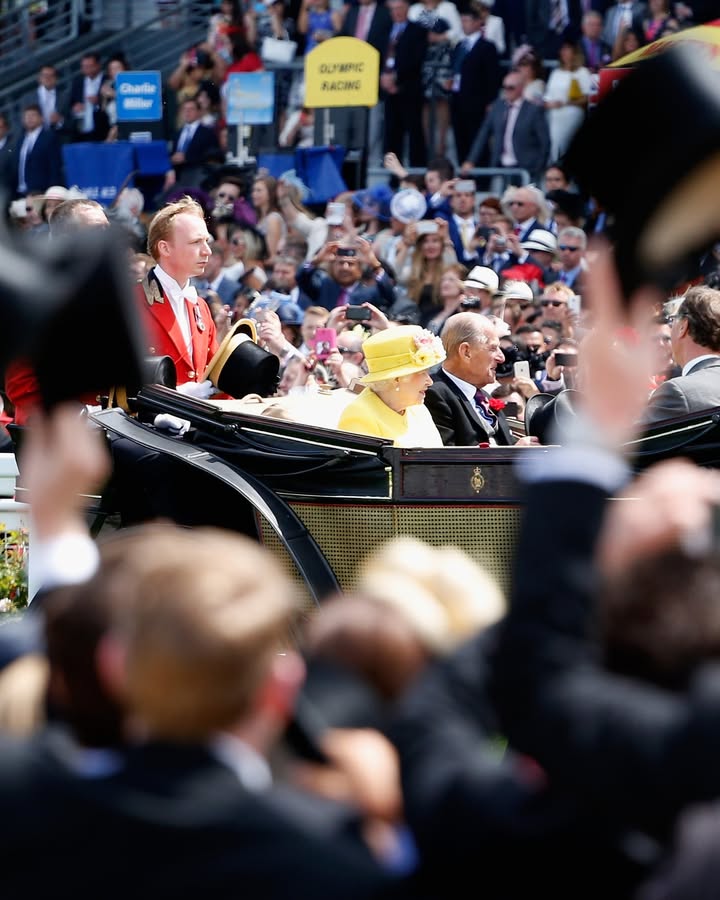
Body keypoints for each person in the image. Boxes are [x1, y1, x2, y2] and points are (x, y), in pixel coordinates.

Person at [4, 199, 111, 425]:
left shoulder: (108, 289)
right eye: (96, 229)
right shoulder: (34, 293)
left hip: (109, 420)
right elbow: (22, 385)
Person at [136, 196, 218, 397]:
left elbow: (214, 376)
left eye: (206, 241)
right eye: (196, 242)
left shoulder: (200, 306)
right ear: (165, 248)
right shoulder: (131, 302)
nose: (207, 251)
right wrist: (175, 396)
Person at [425, 311, 525, 445]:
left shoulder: (484, 397)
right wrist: (515, 454)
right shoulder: (434, 394)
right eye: (493, 348)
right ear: (466, 352)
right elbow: (448, 460)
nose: (501, 358)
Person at [337, 325, 445, 446]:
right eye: (422, 373)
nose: (430, 381)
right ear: (396, 379)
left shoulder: (418, 409)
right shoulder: (359, 415)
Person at [640, 285, 720, 426]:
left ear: (683, 326)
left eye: (672, 320)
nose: (671, 328)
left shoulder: (678, 392)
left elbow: (625, 443)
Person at [462, 72, 550, 185]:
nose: (507, 91)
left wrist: (538, 168)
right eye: (504, 87)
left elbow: (545, 142)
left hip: (526, 168)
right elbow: (483, 135)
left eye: (511, 87)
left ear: (521, 88)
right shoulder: (497, 107)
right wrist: (471, 160)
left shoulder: (533, 110)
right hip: (501, 166)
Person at [448, 2, 501, 167]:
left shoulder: (487, 47)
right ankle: (464, 176)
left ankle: (482, 180)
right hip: (458, 99)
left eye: (468, 20)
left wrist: (490, 101)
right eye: (462, 20)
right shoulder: (459, 46)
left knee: (478, 142)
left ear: (479, 22)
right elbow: (455, 70)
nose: (465, 24)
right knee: (460, 140)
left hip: (477, 103)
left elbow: (493, 78)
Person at [381, 0, 428, 168]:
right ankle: (393, 174)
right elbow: (380, 55)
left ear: (407, 9)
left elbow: (417, 59)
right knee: (391, 134)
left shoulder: (418, 30)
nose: (396, 12)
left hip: (409, 89)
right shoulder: (385, 29)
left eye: (399, 8)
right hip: (388, 90)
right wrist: (383, 77)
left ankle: (418, 172)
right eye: (393, 9)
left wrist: (396, 76)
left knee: (414, 133)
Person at [544, 40, 592, 162]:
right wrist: (549, 104)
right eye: (563, 50)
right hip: (554, 115)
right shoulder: (555, 73)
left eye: (567, 49)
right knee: (554, 146)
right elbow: (548, 96)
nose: (564, 53)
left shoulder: (582, 72)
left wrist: (566, 103)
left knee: (566, 144)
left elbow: (587, 97)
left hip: (572, 113)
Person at [164, 97, 221, 193]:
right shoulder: (177, 134)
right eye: (185, 109)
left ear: (199, 112)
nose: (187, 112)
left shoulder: (207, 133)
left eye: (191, 109)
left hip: (198, 176)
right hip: (178, 177)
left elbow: (212, 155)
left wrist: (187, 158)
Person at [15, 103, 63, 198]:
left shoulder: (49, 137)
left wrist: (52, 190)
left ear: (42, 118)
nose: (29, 119)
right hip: (23, 190)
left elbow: (55, 165)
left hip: (43, 190)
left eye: (33, 115)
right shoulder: (21, 140)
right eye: (27, 116)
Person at [251, 173, 286, 263]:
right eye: (253, 190)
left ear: (270, 193)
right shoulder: (261, 218)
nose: (254, 194)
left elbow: (272, 256)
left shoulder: (272, 219)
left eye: (259, 191)